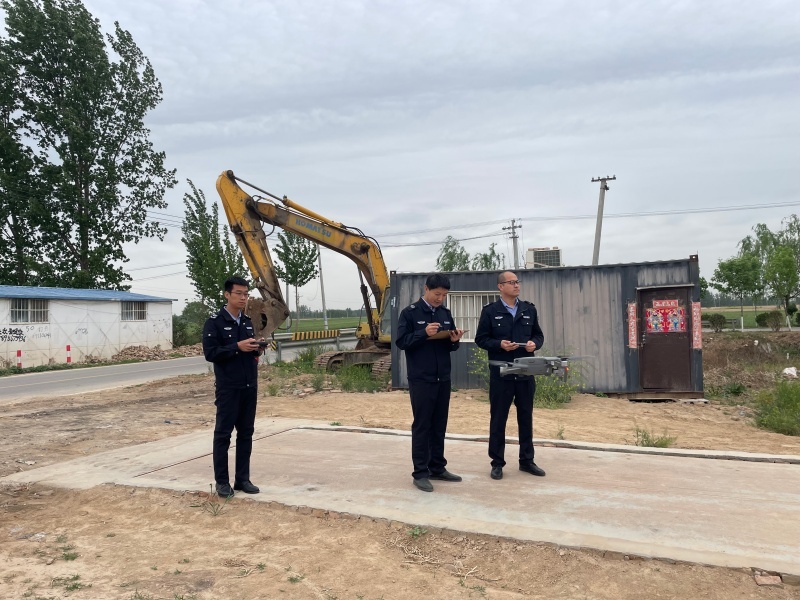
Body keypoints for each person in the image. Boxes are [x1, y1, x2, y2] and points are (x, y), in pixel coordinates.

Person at [395, 273, 465, 492]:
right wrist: (423, 333)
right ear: (426, 289)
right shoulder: (410, 313)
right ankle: (420, 473)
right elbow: (402, 342)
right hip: (421, 379)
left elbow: (449, 346)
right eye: (437, 294)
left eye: (444, 295)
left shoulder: (445, 313)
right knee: (422, 425)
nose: (440, 298)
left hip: (442, 377)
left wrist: (454, 340)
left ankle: (437, 467)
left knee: (439, 424)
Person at [475, 271, 546, 481]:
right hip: (502, 375)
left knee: (526, 417)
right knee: (498, 419)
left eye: (517, 282)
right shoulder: (490, 311)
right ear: (500, 287)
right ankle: (497, 463)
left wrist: (535, 344)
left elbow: (538, 335)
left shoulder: (529, 309)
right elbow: (481, 339)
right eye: (512, 282)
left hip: (525, 373)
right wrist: (499, 344)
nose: (516, 285)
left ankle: (527, 461)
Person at [202, 276, 265, 498]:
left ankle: (242, 479)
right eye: (238, 293)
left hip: (249, 386)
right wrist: (237, 346)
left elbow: (249, 350)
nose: (243, 298)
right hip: (228, 387)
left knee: (246, 433)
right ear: (227, 294)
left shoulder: (247, 321)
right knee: (223, 435)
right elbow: (211, 353)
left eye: (246, 294)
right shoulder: (215, 322)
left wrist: (257, 348)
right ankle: (222, 482)